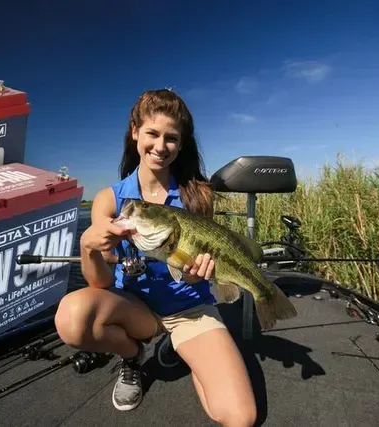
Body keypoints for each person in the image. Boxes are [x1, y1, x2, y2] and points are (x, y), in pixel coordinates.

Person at [54, 89, 257, 427]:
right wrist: (88, 247)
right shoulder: (110, 199)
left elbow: (209, 261)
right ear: (135, 131)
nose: (160, 146)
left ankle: (185, 351)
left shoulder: (198, 195)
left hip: (191, 309)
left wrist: (199, 274)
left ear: (181, 143)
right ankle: (133, 356)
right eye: (152, 133)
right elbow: (101, 284)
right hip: (135, 309)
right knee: (72, 317)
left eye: (171, 138)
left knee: (241, 417)